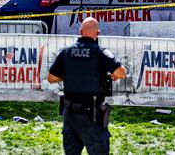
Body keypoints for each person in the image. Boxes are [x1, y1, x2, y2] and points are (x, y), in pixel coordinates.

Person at [47, 17, 127, 155]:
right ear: (98, 33)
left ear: (80, 31)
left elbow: (51, 77)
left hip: (70, 112)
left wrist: (71, 75)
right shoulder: (100, 52)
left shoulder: (66, 51)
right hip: (92, 115)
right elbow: (121, 73)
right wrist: (109, 73)